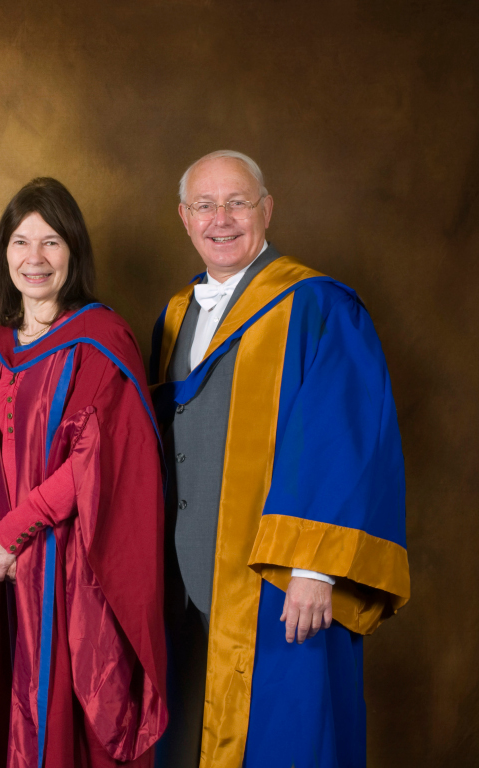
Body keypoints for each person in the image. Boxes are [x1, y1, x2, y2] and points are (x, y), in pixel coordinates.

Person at [149, 150, 410, 768]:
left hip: (276, 583)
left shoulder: (318, 306)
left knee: (285, 738)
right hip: (183, 583)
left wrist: (314, 571)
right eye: (205, 205)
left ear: (267, 209)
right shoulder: (175, 315)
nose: (222, 218)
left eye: (237, 202)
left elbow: (341, 439)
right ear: (185, 219)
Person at [0, 177, 168, 768]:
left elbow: (99, 458)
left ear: (74, 251)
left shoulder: (101, 338)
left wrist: (12, 531)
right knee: (8, 699)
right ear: (4, 254)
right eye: (21, 242)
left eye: (51, 242)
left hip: (71, 561)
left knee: (68, 712)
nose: (35, 259)